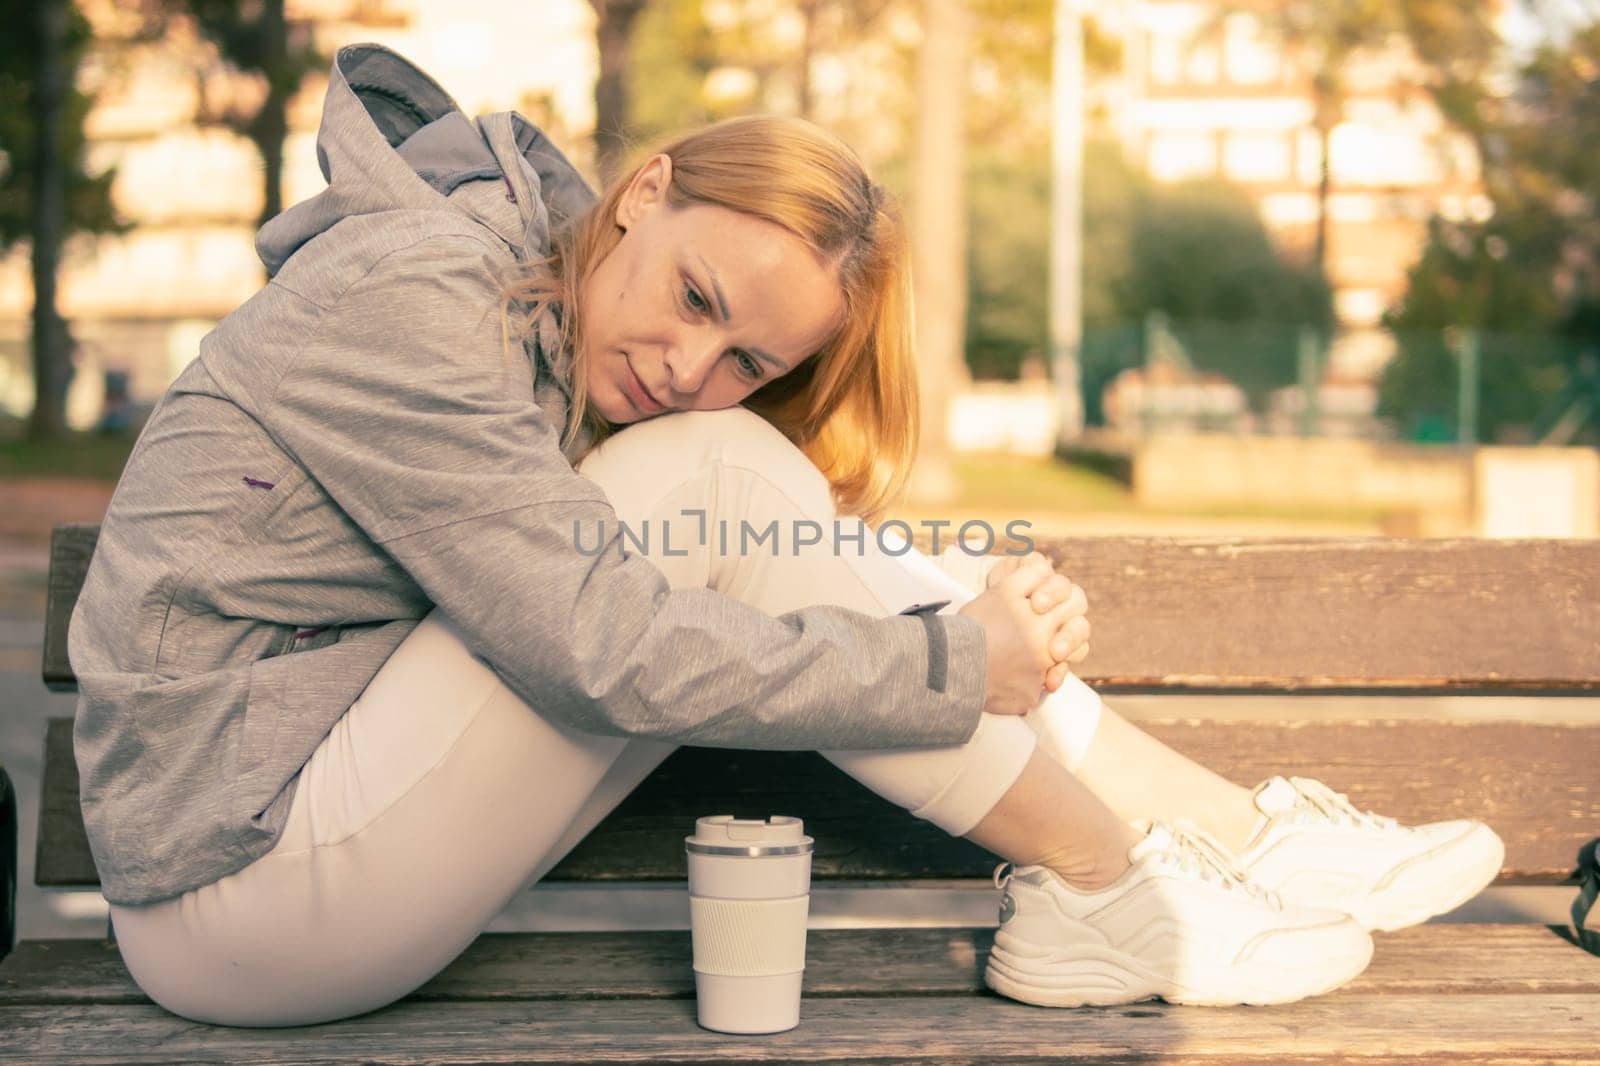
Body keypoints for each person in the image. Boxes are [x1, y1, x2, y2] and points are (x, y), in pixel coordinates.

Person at [70, 44, 1503, 1028]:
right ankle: (1109, 878)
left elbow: (683, 566)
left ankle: (1221, 836)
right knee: (715, 469)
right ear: (644, 193)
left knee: (724, 466)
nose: (692, 362)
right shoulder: (418, 299)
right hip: (236, 890)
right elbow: (604, 649)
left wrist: (966, 640)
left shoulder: (547, 315)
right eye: (697, 296)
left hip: (331, 817)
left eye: (749, 351)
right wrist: (955, 661)